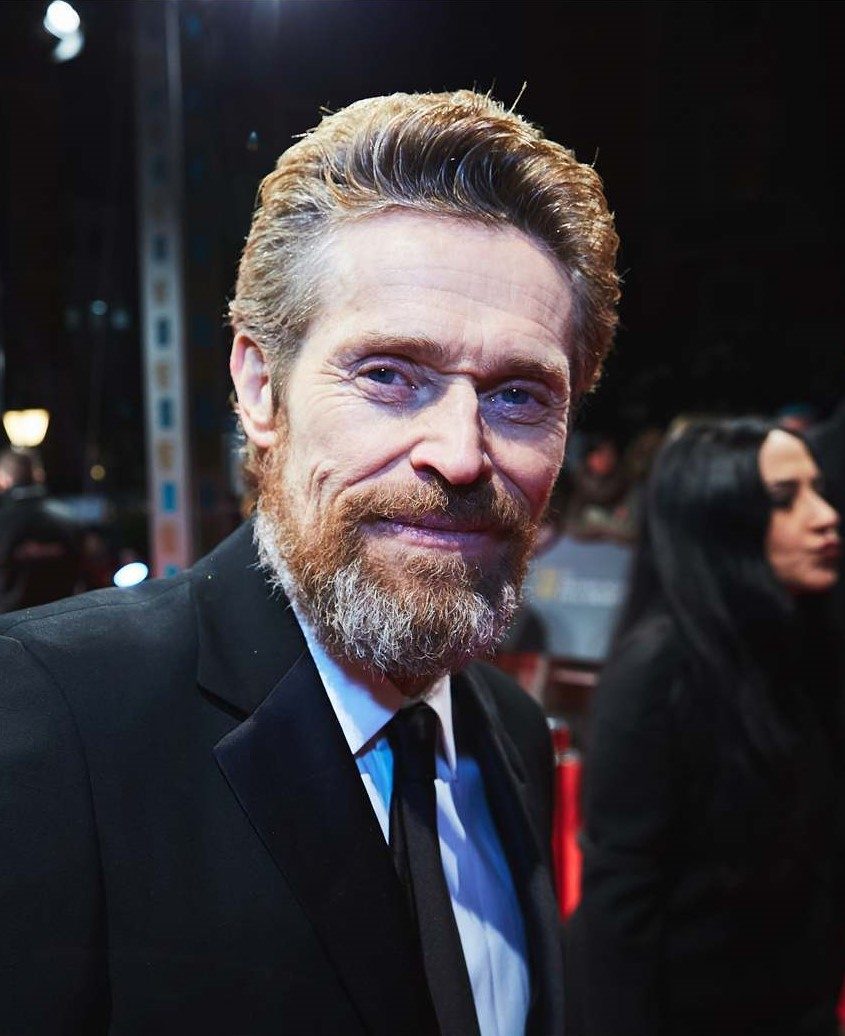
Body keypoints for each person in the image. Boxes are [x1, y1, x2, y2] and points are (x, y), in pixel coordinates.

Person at [0, 90, 620, 1034]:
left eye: (518, 396)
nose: (460, 453)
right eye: (389, 376)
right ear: (260, 387)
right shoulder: (55, 717)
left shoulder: (511, 732)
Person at [567, 418, 845, 1036]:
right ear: (718, 521)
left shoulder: (806, 647)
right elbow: (622, 900)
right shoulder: (659, 670)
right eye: (785, 499)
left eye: (819, 490)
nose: (825, 517)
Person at [0, 447, 82, 611]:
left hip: (10, 619)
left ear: (4, 479)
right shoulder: (68, 518)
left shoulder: (4, 519)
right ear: (39, 475)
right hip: (62, 614)